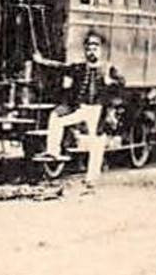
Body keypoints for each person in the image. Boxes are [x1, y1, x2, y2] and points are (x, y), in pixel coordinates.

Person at [35, 32, 123, 184]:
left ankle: (92, 178)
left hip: (98, 110)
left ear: (100, 51)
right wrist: (41, 61)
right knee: (57, 119)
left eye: (95, 48)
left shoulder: (108, 68)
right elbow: (60, 68)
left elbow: (121, 85)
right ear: (85, 51)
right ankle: (53, 152)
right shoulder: (79, 68)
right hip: (82, 109)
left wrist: (111, 83)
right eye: (89, 48)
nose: (91, 51)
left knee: (96, 143)